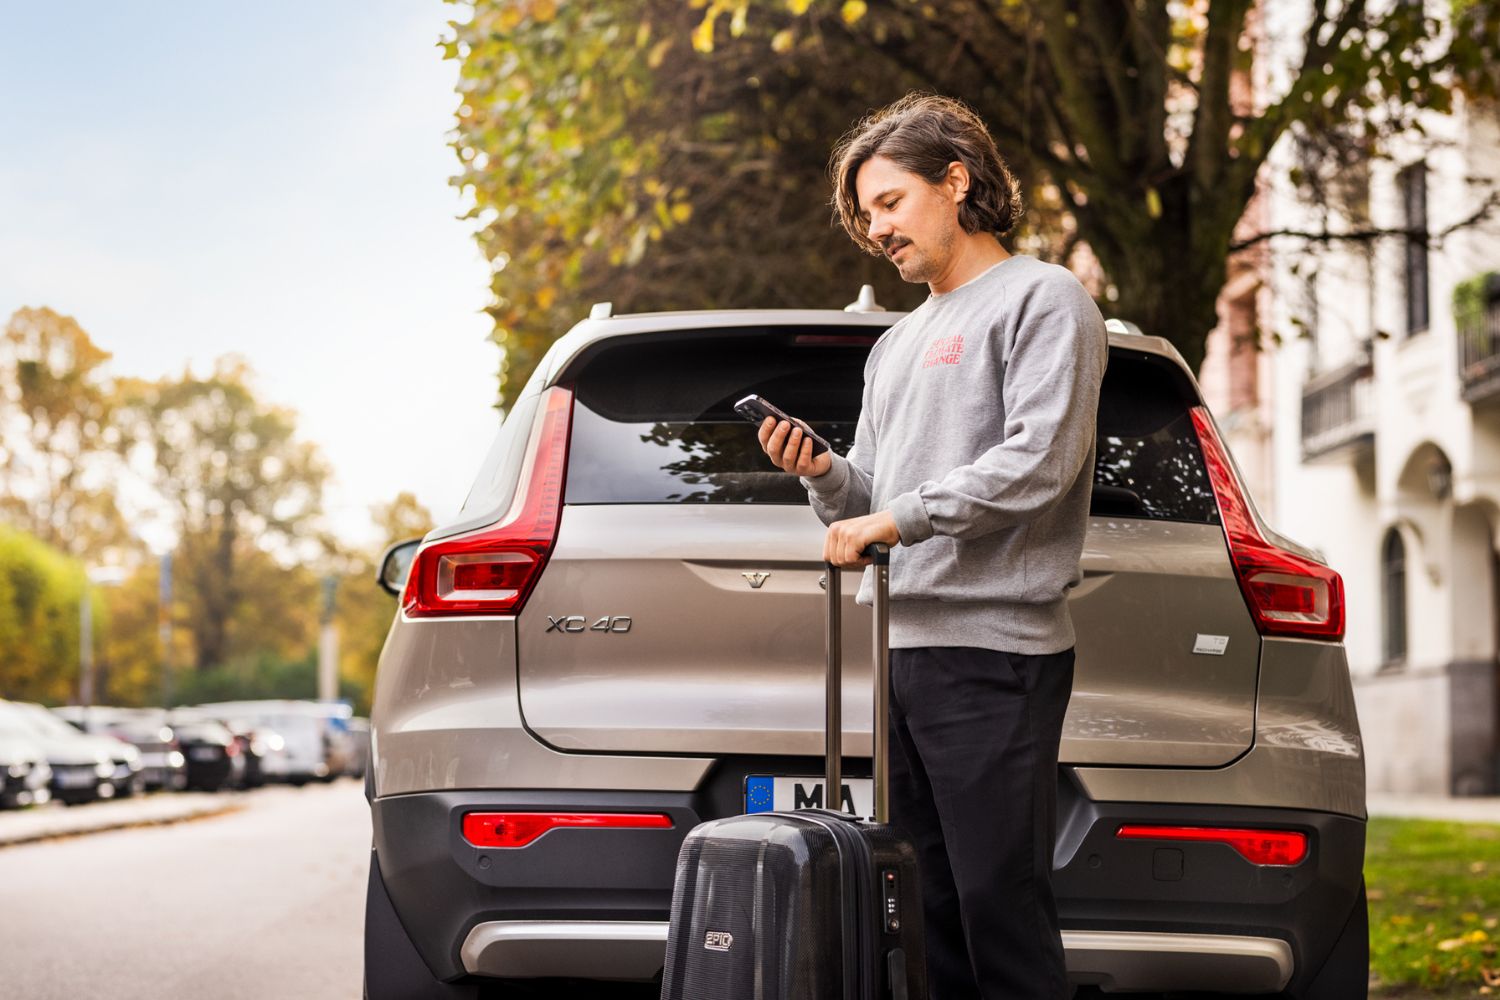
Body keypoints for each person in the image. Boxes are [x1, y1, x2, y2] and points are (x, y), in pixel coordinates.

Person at [756, 93, 1107, 1000]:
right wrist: (825, 476)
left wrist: (895, 518)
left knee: (1000, 901)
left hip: (997, 653)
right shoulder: (896, 343)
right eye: (866, 213)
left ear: (957, 181)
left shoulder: (1043, 297)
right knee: (925, 907)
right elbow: (872, 498)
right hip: (902, 650)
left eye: (890, 202)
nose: (875, 229)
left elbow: (1040, 462)